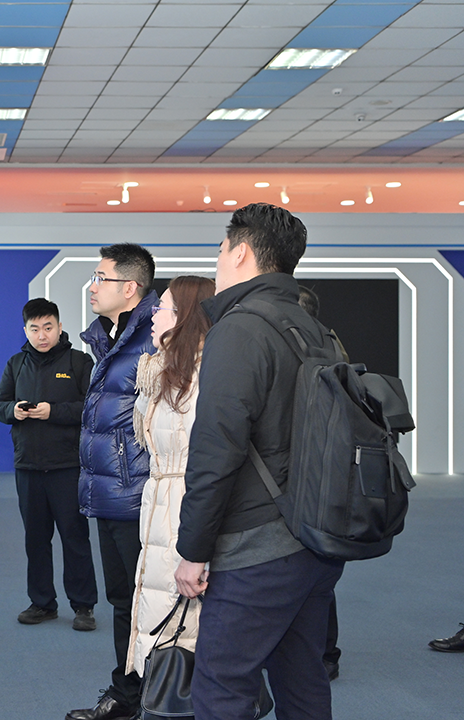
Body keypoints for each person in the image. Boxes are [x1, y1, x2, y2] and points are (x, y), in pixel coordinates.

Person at [175, 203, 345, 720]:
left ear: (241, 252)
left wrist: (193, 550)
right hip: (315, 536)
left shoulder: (241, 328)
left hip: (258, 546)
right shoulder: (315, 328)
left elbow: (216, 448)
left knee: (221, 685)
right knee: (301, 679)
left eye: (220, 250)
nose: (218, 261)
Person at [67, 244, 158, 720]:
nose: (92, 286)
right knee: (123, 599)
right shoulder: (111, 337)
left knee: (146, 602)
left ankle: (148, 697)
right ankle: (128, 694)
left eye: (101, 277)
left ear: (130, 288)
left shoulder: (156, 336)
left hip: (137, 492)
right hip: (109, 489)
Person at [125, 276, 215, 682]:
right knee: (160, 617)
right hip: (160, 504)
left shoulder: (204, 377)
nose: (153, 315)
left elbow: (208, 463)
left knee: (183, 630)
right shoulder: (164, 370)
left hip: (184, 509)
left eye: (161, 307)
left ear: (184, 316)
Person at [0, 298, 97, 631]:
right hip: (28, 467)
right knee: (35, 540)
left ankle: (83, 606)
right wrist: (13, 411)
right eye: (35, 329)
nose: (42, 335)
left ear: (59, 327)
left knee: (74, 537)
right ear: (25, 330)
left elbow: (92, 408)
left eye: (48, 327)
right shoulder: (16, 364)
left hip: (67, 466)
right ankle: (42, 603)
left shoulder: (79, 362)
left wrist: (54, 411)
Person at [297, 284, 343, 681]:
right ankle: (324, 654)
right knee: (319, 576)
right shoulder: (333, 348)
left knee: (315, 575)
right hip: (321, 480)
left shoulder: (318, 355)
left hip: (309, 480)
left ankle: (325, 653)